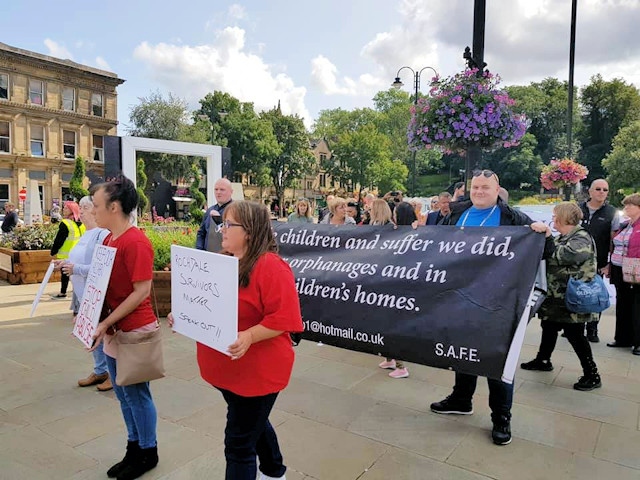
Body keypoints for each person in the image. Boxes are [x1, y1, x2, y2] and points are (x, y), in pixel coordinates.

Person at [169, 201, 303, 480]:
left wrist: (250, 335)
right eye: (223, 224)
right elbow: (206, 303)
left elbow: (286, 318)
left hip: (257, 373)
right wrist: (182, 314)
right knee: (254, 422)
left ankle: (272, 471)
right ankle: (275, 471)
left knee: (239, 443)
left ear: (250, 232)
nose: (222, 230)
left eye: (229, 225)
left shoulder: (272, 267)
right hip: (228, 370)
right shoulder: (223, 262)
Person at [430, 169, 553, 446]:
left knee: (497, 358)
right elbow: (434, 246)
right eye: (475, 187)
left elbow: (546, 251)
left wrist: (544, 235)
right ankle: (461, 399)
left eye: (485, 187)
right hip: (459, 297)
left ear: (497, 190)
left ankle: (501, 418)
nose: (479, 192)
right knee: (463, 352)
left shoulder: (514, 217)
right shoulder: (455, 214)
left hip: (498, 302)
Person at [90, 176, 160, 480]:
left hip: (133, 330)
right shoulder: (109, 239)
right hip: (114, 329)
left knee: (137, 393)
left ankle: (148, 450)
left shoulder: (136, 242)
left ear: (114, 207)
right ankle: (134, 446)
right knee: (122, 393)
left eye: (96, 206)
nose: (93, 211)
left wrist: (105, 321)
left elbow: (141, 292)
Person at [520, 202, 603, 391]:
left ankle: (592, 374)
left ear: (563, 217)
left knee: (575, 334)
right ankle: (543, 359)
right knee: (548, 325)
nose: (553, 219)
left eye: (555, 215)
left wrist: (548, 236)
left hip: (571, 298)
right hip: (557, 296)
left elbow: (563, 256)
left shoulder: (581, 238)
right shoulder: (564, 237)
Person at [60, 196, 111, 391]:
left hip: (97, 293)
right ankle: (100, 370)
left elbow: (101, 267)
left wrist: (76, 269)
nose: (81, 211)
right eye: (79, 207)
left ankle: (112, 374)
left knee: (102, 333)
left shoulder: (102, 234)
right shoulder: (85, 233)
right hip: (83, 293)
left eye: (86, 207)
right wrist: (65, 265)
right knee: (91, 332)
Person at [377, 200, 416, 379]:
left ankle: (401, 366)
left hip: (400, 288)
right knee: (385, 324)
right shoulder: (395, 231)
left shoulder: (411, 233)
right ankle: (390, 358)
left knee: (394, 326)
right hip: (390, 285)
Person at [577, 179, 619, 344]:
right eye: (598, 189)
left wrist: (609, 263)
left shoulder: (612, 212)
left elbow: (613, 240)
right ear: (590, 191)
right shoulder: (578, 209)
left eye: (605, 190)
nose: (602, 192)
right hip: (576, 262)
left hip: (598, 263)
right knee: (575, 294)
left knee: (594, 297)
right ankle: (576, 328)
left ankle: (592, 330)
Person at [608, 193, 640, 354]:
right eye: (625, 205)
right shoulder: (625, 225)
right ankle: (622, 338)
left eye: (630, 205)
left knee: (637, 305)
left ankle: (638, 342)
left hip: (636, 269)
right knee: (623, 304)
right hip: (618, 268)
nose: (626, 208)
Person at [50, 201, 85, 299]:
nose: (63, 209)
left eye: (66, 208)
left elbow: (59, 239)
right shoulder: (81, 224)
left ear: (72, 210)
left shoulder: (65, 223)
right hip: (79, 253)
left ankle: (63, 293)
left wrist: (53, 251)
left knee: (65, 274)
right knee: (76, 274)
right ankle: (76, 292)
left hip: (66, 254)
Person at [196, 178, 233, 251]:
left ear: (231, 192)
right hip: (207, 256)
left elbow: (235, 235)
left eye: (222, 189)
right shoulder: (209, 210)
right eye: (216, 189)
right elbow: (201, 233)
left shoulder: (236, 210)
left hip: (225, 256)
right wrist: (199, 250)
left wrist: (219, 220)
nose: (218, 192)